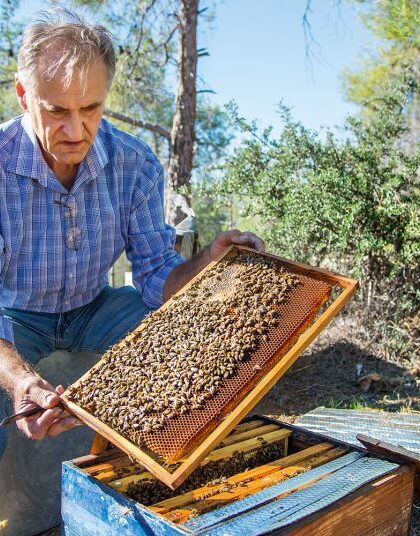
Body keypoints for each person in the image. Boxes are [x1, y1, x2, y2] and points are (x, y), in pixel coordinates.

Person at [0, 8, 264, 460]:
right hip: (15, 317)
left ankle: (166, 470)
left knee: (186, 337)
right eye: (56, 110)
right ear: (25, 96)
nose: (75, 130)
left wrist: (206, 263)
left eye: (90, 108)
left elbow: (157, 274)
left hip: (95, 308)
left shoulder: (134, 163)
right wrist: (21, 380)